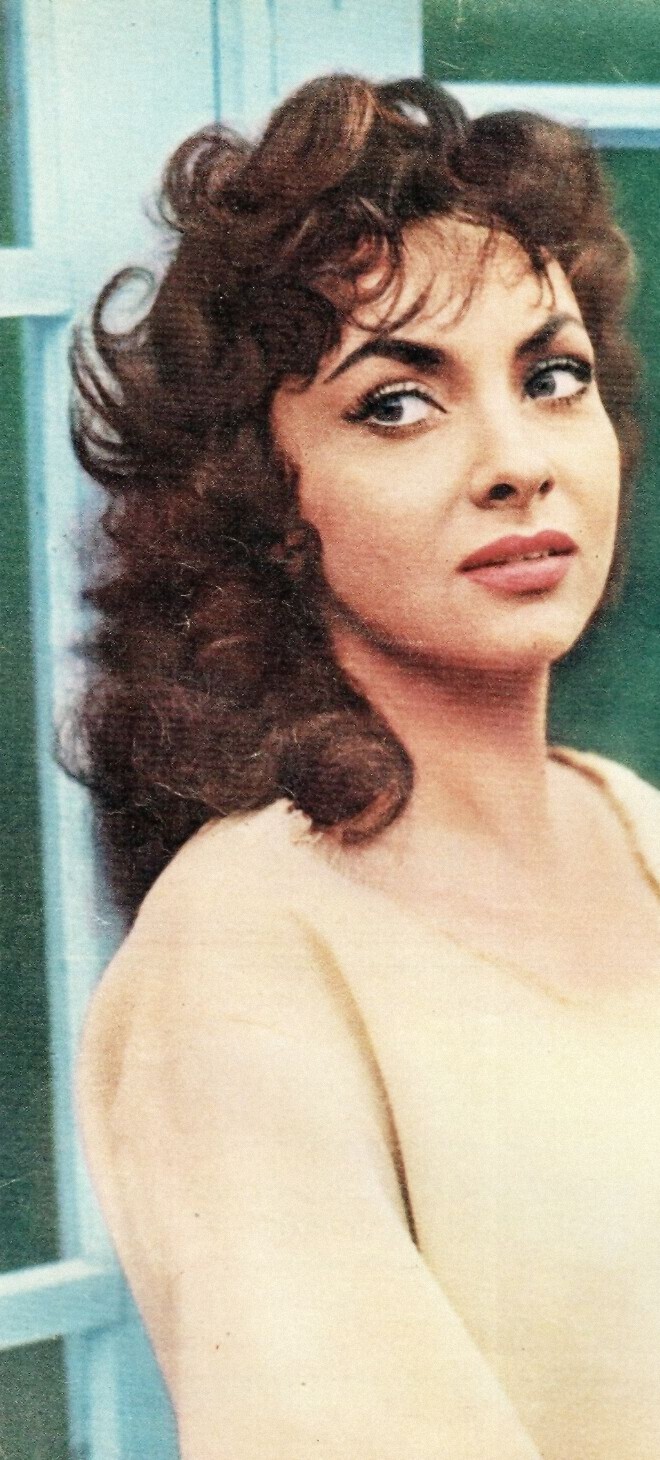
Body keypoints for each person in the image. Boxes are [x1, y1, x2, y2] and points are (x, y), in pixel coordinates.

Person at [73, 74, 660, 1460]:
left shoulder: (637, 827)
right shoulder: (241, 952)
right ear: (262, 499)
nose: (517, 462)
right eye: (398, 404)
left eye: (552, 377)